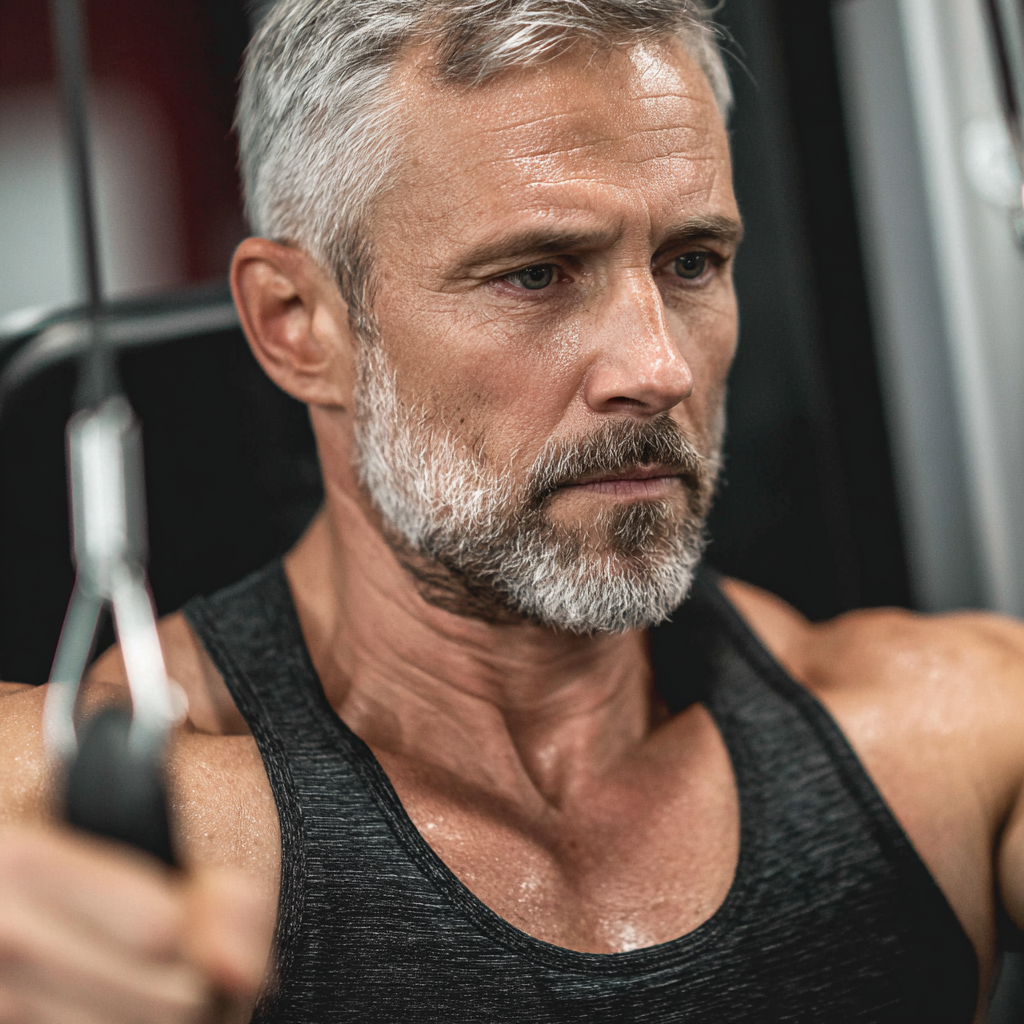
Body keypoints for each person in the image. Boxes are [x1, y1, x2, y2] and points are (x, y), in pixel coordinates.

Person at [2, 0, 1024, 1020]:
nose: (658, 369)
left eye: (691, 263)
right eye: (537, 274)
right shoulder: (93, 810)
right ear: (297, 322)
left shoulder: (944, 734)